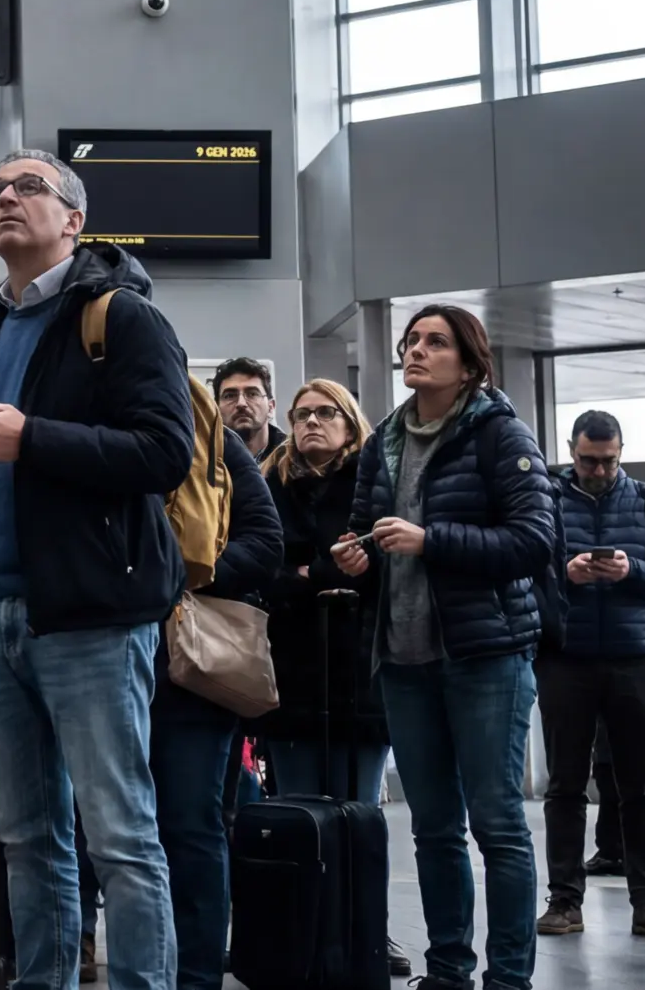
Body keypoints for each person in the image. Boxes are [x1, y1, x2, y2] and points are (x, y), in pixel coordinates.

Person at [0, 149, 192, 990]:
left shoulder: (122, 317)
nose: (5, 198)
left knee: (121, 837)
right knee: (27, 839)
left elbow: (164, 451)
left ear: (74, 219)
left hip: (91, 618)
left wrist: (27, 436)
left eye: (27, 187)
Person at [332, 304, 557, 990]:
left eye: (435, 341)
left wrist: (433, 540)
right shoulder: (385, 441)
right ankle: (449, 971)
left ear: (469, 360)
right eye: (411, 341)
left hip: (486, 656)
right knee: (432, 827)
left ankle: (509, 976)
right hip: (403, 659)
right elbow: (366, 528)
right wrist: (355, 554)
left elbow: (534, 541)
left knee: (498, 824)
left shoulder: (499, 434)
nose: (416, 351)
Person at [255, 379, 409, 977]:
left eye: (325, 413)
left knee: (358, 813)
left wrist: (305, 572)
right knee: (297, 810)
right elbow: (264, 570)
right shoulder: (271, 485)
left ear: (350, 423)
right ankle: (305, 935)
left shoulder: (373, 486)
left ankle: (365, 932)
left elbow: (382, 568)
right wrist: (323, 571)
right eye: (301, 415)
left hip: (360, 672)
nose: (312, 423)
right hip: (290, 671)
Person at [532, 408, 645, 941]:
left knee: (639, 787)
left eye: (608, 461)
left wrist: (632, 570)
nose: (597, 470)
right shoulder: (546, 499)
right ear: (570, 450)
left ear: (621, 453)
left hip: (634, 660)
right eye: (587, 461)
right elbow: (522, 573)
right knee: (566, 787)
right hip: (566, 659)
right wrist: (566, 574)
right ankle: (563, 901)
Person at [148, 425, 281, 990]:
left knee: (189, 823)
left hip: (192, 669)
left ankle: (195, 975)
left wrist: (177, 573)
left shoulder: (217, 449)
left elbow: (265, 543)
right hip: (101, 655)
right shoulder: (100, 441)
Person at [213, 357, 282, 462]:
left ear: (271, 407)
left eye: (252, 394)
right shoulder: (201, 461)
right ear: (216, 408)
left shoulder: (295, 461)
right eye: (230, 396)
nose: (241, 403)